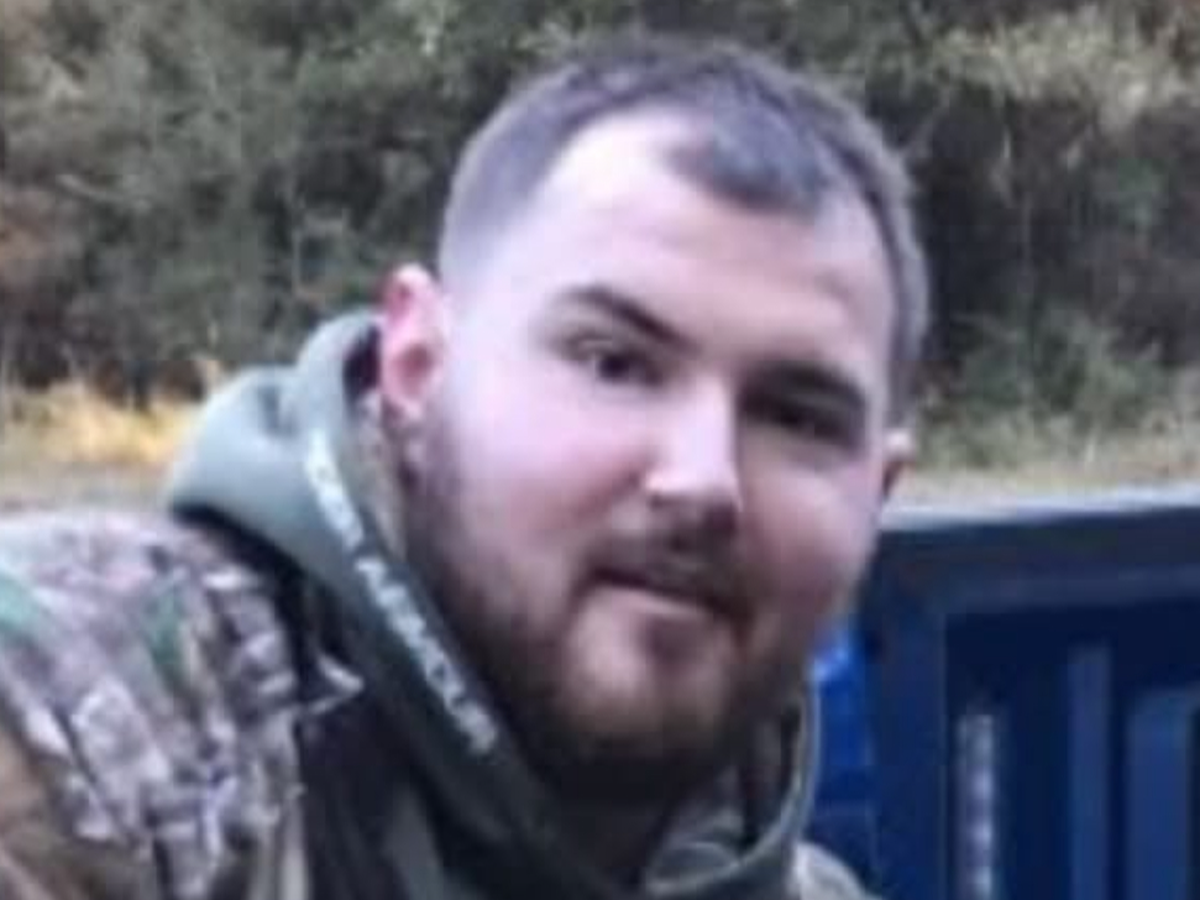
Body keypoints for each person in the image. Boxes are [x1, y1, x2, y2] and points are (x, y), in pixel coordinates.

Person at [0, 33, 927, 900]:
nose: (701, 481)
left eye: (796, 417)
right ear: (417, 364)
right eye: (614, 364)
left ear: (876, 495)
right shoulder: (87, 725)